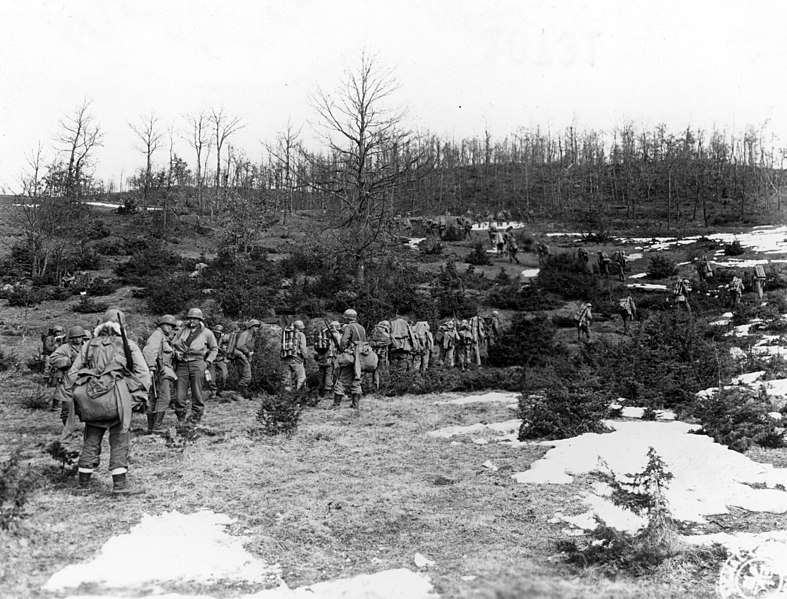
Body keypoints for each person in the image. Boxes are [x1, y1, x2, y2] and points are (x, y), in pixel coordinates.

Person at [61, 308, 151, 494]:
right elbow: (143, 374)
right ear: (122, 327)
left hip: (92, 401)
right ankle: (119, 485)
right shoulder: (127, 345)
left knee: (91, 439)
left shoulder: (88, 345)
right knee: (119, 440)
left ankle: (83, 484)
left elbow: (72, 374)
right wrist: (134, 399)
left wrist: (82, 397)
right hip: (118, 400)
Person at [172, 308, 218, 424]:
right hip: (182, 364)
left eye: (195, 318)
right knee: (179, 394)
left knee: (197, 392)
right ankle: (181, 417)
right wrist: (175, 353)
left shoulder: (207, 332)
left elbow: (214, 348)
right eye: (190, 318)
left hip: (197, 363)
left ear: (199, 320)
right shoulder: (182, 331)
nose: (192, 320)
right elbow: (172, 345)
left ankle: (196, 417)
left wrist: (207, 362)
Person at [142, 314, 177, 433]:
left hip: (163, 370)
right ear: (162, 325)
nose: (170, 328)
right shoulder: (157, 335)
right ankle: (156, 426)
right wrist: (151, 367)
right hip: (159, 371)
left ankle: (152, 427)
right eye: (168, 325)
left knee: (155, 398)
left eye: (172, 326)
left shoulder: (164, 337)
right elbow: (149, 351)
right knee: (164, 398)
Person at [331, 309, 366, 410]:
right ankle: (355, 404)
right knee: (357, 379)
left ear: (346, 318)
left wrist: (342, 350)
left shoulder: (349, 327)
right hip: (361, 356)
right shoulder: (362, 327)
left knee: (342, 379)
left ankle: (336, 404)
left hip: (351, 357)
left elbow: (343, 342)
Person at [49, 326, 88, 416]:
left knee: (87, 409)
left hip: (85, 379)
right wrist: (68, 360)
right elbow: (52, 359)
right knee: (67, 409)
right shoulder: (65, 348)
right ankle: (67, 428)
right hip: (68, 380)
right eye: (75, 337)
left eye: (79, 337)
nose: (78, 339)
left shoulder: (87, 346)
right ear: (71, 338)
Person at [233, 319, 261, 399]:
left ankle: (242, 393)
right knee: (247, 377)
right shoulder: (245, 334)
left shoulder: (251, 335)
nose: (257, 328)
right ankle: (237, 393)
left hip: (243, 357)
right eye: (256, 327)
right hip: (240, 356)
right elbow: (239, 345)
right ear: (251, 327)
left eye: (258, 327)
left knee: (243, 375)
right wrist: (248, 352)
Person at [281, 320, 308, 391]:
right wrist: (305, 357)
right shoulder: (301, 334)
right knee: (301, 377)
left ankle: (286, 393)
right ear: (301, 327)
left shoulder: (286, 333)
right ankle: (300, 393)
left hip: (286, 357)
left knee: (287, 377)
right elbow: (303, 348)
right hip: (296, 358)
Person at [314, 321, 339, 397]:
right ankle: (327, 392)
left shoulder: (322, 335)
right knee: (329, 374)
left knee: (321, 373)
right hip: (329, 357)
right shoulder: (334, 335)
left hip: (320, 357)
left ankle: (320, 390)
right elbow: (340, 345)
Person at [369, 320, 391, 391]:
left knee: (373, 371)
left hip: (373, 354)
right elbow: (389, 342)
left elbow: (370, 341)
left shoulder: (374, 331)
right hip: (382, 355)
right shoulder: (386, 334)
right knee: (382, 371)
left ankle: (373, 387)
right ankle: (382, 388)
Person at [209, 324, 230, 398]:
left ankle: (220, 390)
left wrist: (224, 349)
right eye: (216, 332)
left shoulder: (224, 339)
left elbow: (228, 348)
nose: (218, 334)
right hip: (211, 359)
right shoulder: (210, 339)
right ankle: (213, 391)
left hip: (220, 359)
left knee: (224, 375)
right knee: (211, 377)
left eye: (219, 333)